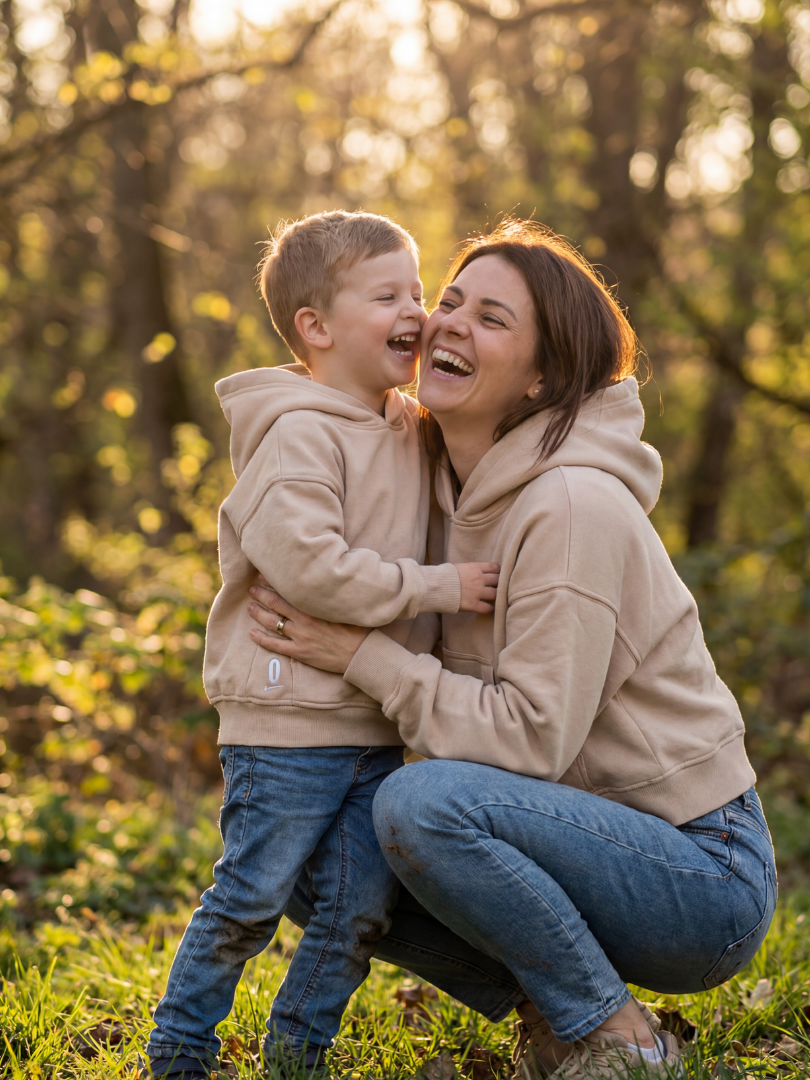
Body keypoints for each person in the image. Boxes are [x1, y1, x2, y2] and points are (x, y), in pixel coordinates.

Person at [246, 218, 778, 1080]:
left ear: (540, 379)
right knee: (314, 850)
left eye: (492, 319)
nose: (448, 321)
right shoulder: (433, 477)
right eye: (448, 300)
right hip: (563, 835)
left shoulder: (571, 508)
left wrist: (359, 655)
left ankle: (621, 1040)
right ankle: (558, 1015)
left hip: (697, 873)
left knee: (421, 805)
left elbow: (531, 741)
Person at [146, 211, 499, 1079]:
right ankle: (179, 1051)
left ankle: (298, 1055)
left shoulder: (407, 426)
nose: (417, 311)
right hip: (287, 724)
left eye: (418, 291)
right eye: (389, 295)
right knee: (250, 900)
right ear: (317, 327)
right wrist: (435, 588)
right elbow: (313, 570)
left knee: (357, 914)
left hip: (372, 725)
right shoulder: (299, 435)